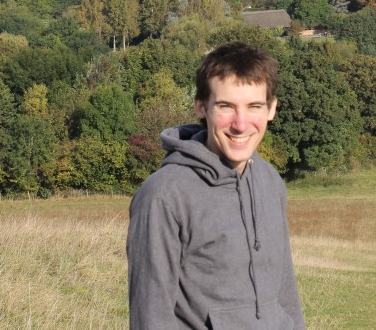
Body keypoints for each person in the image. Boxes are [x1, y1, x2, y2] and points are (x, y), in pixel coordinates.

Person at [127, 41, 305, 329]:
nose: (241, 123)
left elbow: (285, 293)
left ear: (272, 109)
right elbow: (151, 315)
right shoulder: (163, 196)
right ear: (201, 107)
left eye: (254, 107)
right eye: (226, 106)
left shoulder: (270, 181)